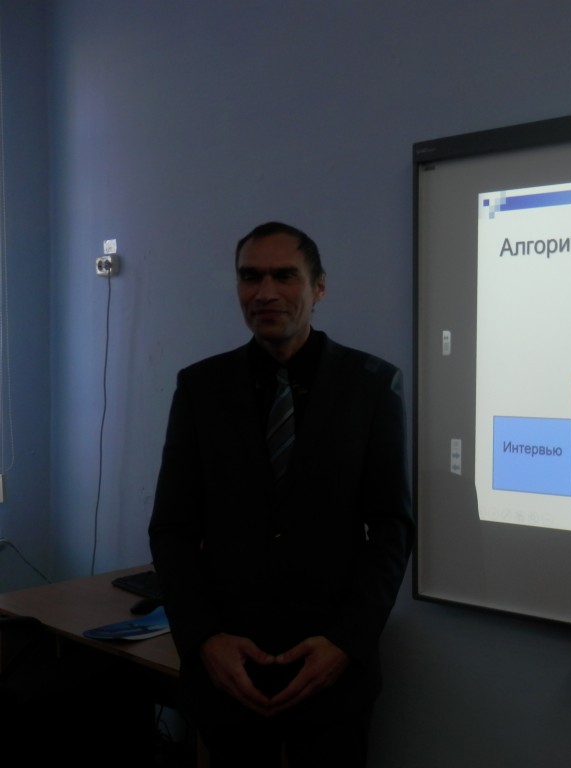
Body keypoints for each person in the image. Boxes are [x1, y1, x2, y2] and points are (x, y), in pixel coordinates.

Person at [149, 221, 413, 766]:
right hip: (229, 671)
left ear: (319, 288)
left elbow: (392, 528)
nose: (265, 292)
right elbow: (172, 529)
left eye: (284, 276)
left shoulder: (371, 385)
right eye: (251, 277)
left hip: (332, 671)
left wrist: (347, 642)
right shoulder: (200, 388)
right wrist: (203, 640)